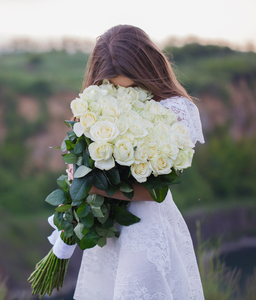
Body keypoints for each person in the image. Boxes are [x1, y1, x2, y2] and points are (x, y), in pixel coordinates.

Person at [72, 25, 205, 300]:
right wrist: (81, 174)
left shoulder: (175, 110)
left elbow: (156, 192)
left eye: (132, 85)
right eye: (112, 86)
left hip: (147, 228)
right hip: (110, 232)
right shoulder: (99, 105)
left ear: (147, 69)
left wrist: (93, 188)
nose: (124, 95)